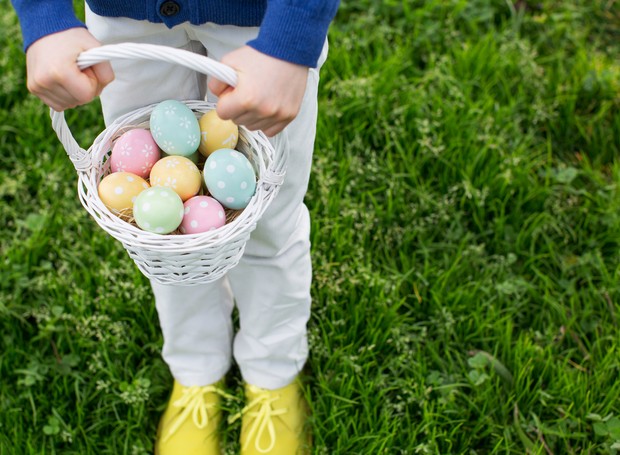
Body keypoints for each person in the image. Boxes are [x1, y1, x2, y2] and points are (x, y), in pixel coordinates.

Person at [10, 0, 340, 453]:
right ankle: (196, 366)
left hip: (264, 24)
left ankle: (273, 371)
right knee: (163, 236)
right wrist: (43, 15)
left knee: (267, 218)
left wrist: (292, 36)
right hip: (126, 15)